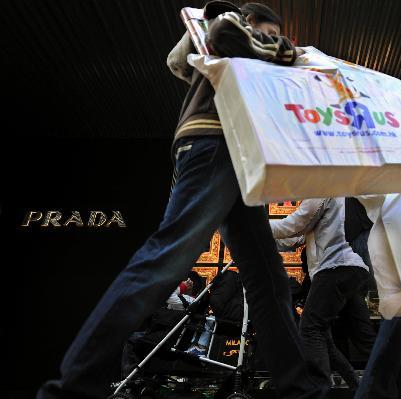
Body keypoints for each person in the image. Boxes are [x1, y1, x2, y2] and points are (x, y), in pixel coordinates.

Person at [37, 2, 325, 398]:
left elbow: (178, 60)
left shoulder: (215, 58)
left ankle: (298, 388)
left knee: (268, 278)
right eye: (269, 34)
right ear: (251, 25)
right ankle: (71, 387)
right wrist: (288, 52)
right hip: (217, 143)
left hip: (231, 153)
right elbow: (225, 32)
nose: (275, 44)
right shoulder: (231, 32)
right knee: (168, 255)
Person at [269, 197, 372, 393]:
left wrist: (255, 226)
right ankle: (375, 388)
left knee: (310, 330)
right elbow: (296, 237)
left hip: (335, 268)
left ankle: (318, 390)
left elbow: (295, 225)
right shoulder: (332, 186)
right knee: (332, 336)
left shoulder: (321, 185)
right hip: (350, 270)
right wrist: (259, 240)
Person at [347, 197, 401, 399]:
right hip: (370, 236)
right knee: (393, 312)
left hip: (370, 236)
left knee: (394, 311)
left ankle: (386, 388)